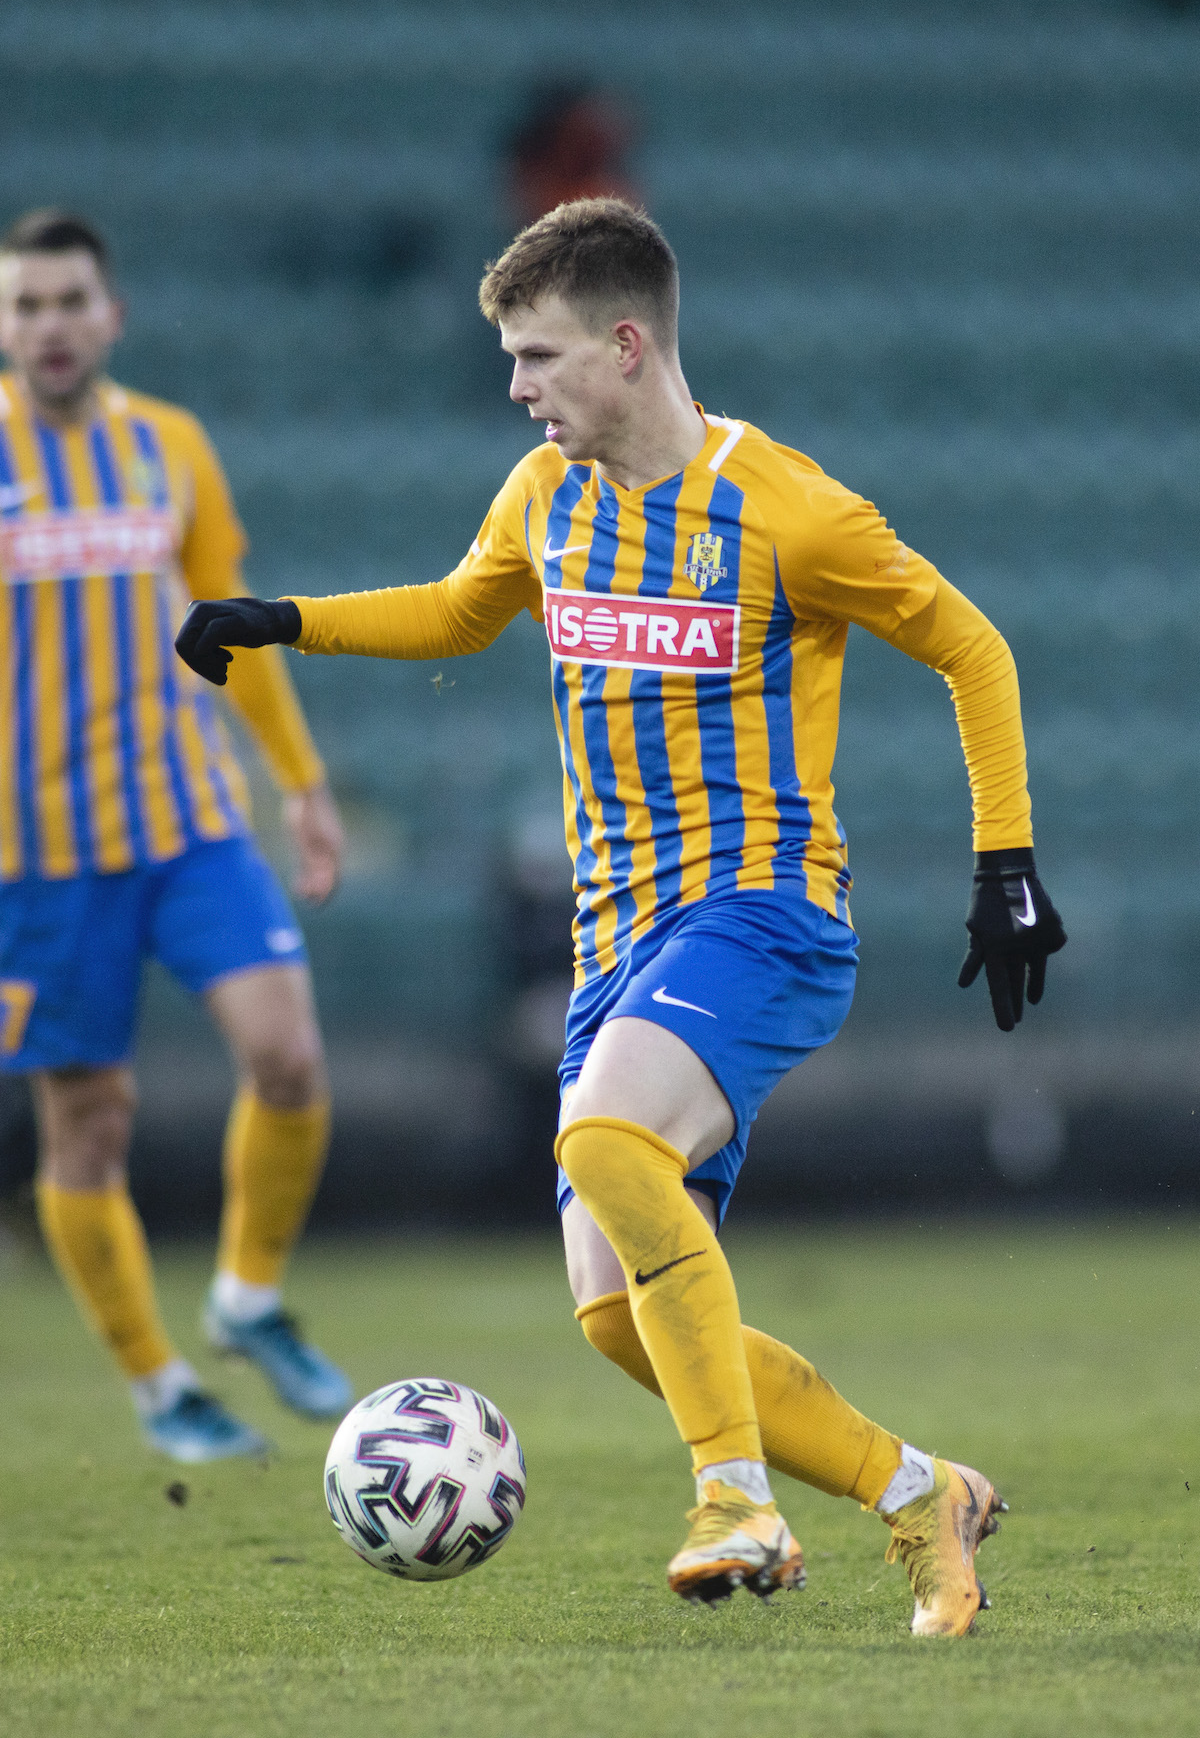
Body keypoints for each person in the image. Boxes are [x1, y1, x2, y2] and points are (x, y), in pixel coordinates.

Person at [176, 198, 1066, 1632]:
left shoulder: (786, 510)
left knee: (604, 1140)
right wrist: (286, 621)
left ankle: (735, 1499)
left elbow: (972, 646)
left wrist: (1004, 861)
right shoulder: (546, 496)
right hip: (620, 945)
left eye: (538, 357)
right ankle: (921, 1494)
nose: (517, 387)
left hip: (764, 915)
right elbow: (461, 612)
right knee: (614, 1312)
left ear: (628, 345)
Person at [0, 209, 354, 1463]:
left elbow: (229, 625)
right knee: (89, 1124)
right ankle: (161, 1387)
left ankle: (246, 1297)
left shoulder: (170, 446)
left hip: (187, 823)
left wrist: (300, 780)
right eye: (26, 304)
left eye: (69, 301)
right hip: (37, 856)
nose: (50, 325)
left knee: (288, 1055)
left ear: (112, 315)